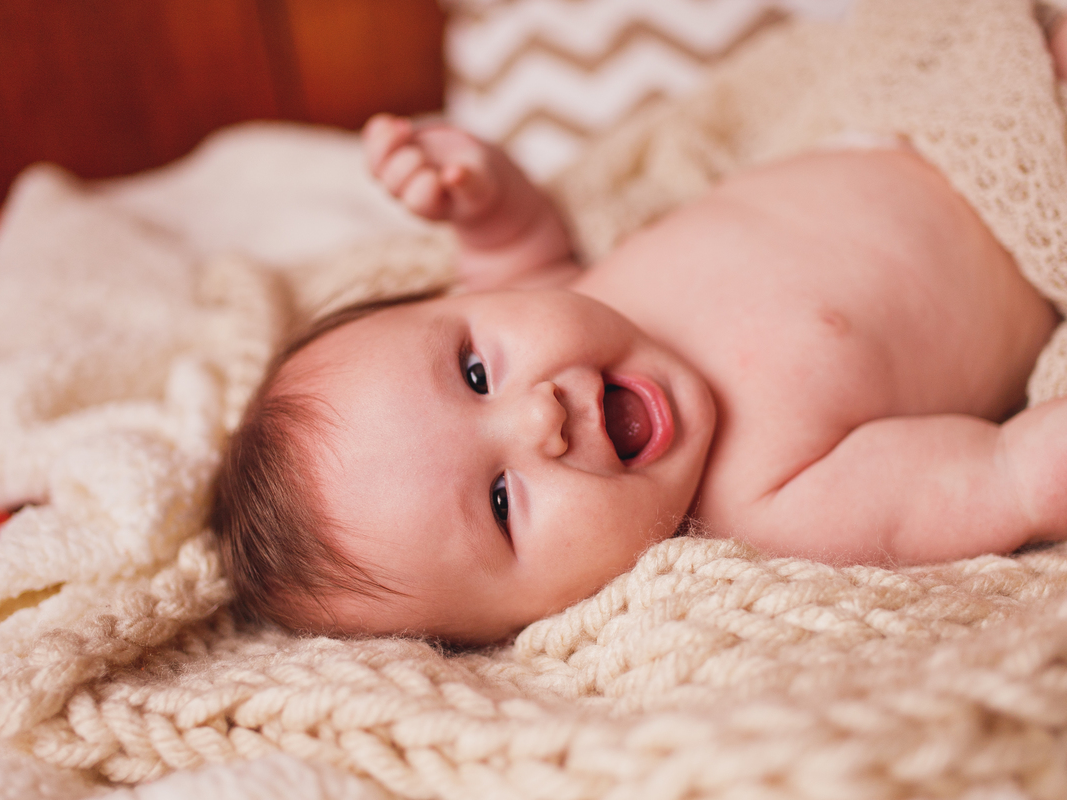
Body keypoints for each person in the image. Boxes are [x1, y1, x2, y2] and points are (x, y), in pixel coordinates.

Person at [212, 2, 1067, 645]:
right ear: (533, 619)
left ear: (452, 303)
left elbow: (519, 250)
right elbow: (1004, 477)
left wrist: (476, 200)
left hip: (932, 110)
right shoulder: (775, 511)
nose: (539, 417)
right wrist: (1028, 478)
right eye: (502, 504)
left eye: (474, 372)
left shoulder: (587, 294)